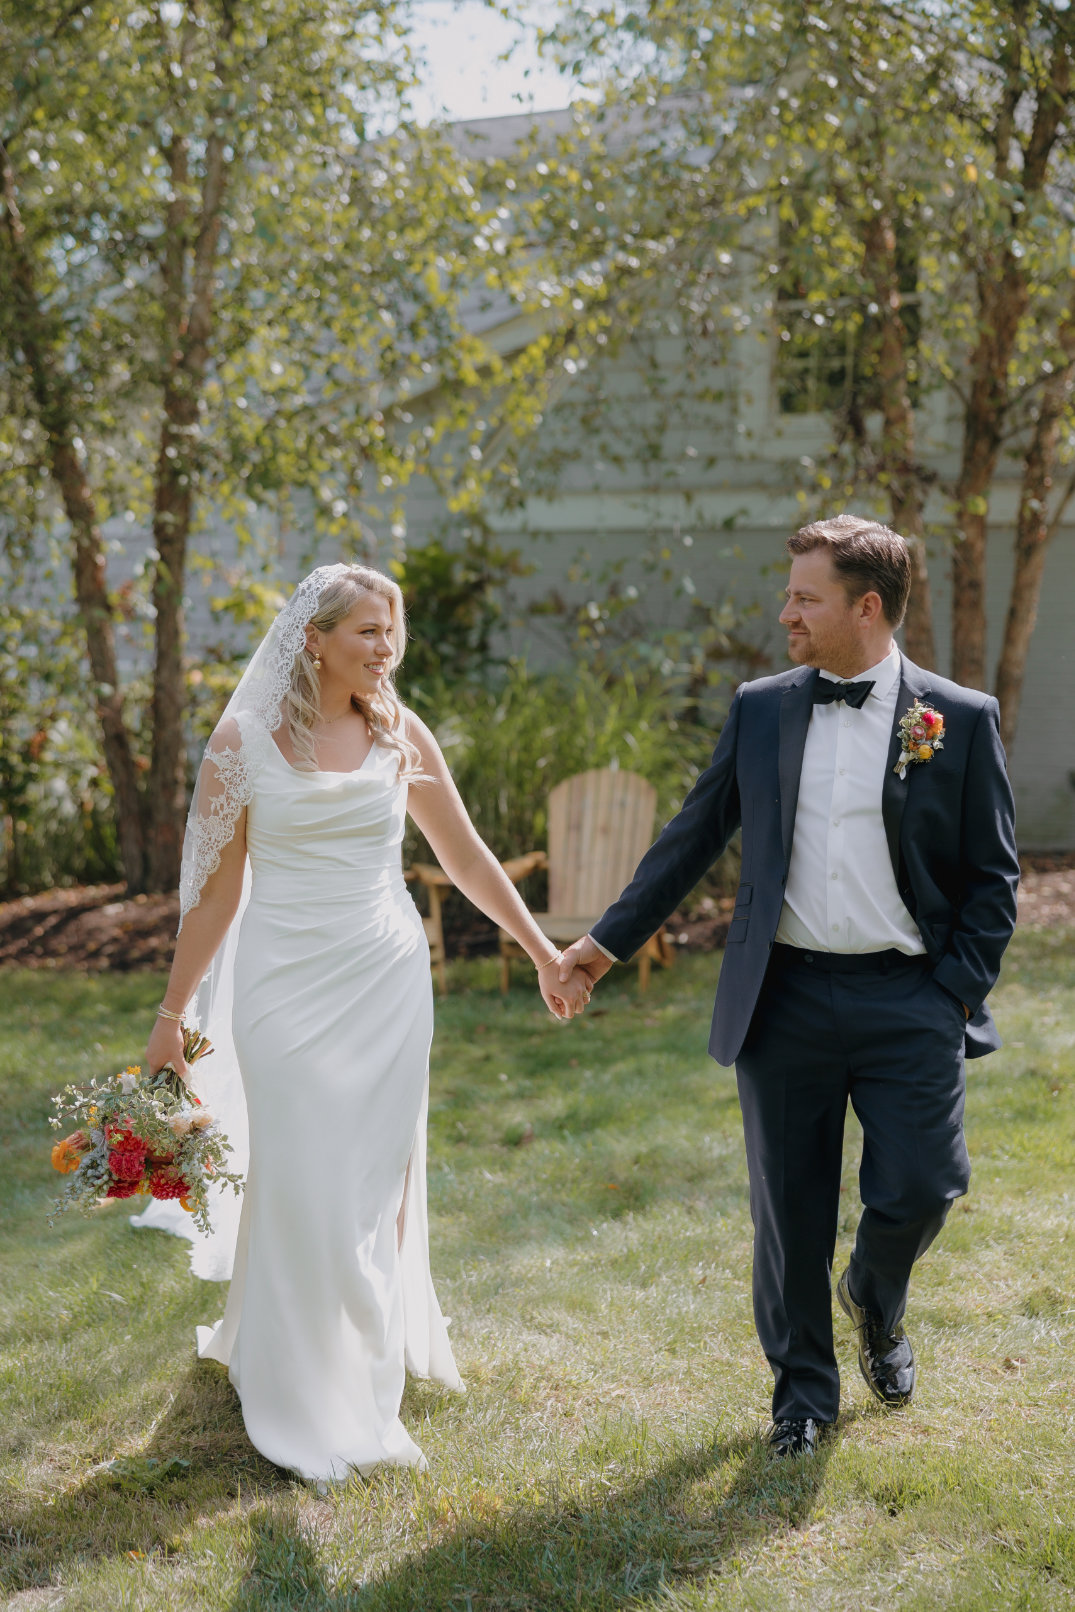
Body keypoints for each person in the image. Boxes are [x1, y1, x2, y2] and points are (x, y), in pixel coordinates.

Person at [559, 515, 1019, 1457]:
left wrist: (951, 992)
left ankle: (875, 1301)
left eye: (804, 598)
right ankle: (802, 1400)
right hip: (785, 997)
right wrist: (600, 948)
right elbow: (689, 837)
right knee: (790, 1210)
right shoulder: (762, 708)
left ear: (867, 606)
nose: (785, 615)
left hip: (910, 998)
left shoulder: (958, 719)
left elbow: (993, 877)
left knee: (924, 1187)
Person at [144, 562, 591, 1483]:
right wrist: (172, 1015)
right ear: (314, 640)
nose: (385, 651)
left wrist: (544, 953)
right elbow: (216, 895)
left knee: (377, 1186)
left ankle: (366, 1368)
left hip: (385, 981)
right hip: (283, 987)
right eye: (366, 634)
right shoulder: (244, 742)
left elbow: (463, 858)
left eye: (393, 634)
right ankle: (299, 1381)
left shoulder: (400, 733)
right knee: (305, 1177)